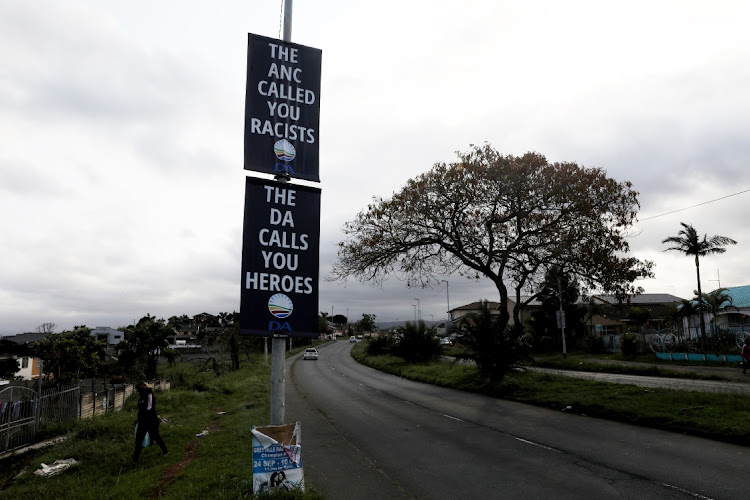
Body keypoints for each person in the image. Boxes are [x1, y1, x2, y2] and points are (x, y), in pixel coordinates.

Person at [133, 382, 168, 462]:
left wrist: (142, 418)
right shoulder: (141, 398)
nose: (138, 392)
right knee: (138, 440)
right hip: (142, 422)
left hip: (151, 421)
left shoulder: (150, 396)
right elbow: (141, 410)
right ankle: (135, 460)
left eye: (139, 390)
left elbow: (149, 408)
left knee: (156, 436)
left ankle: (165, 451)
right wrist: (138, 419)